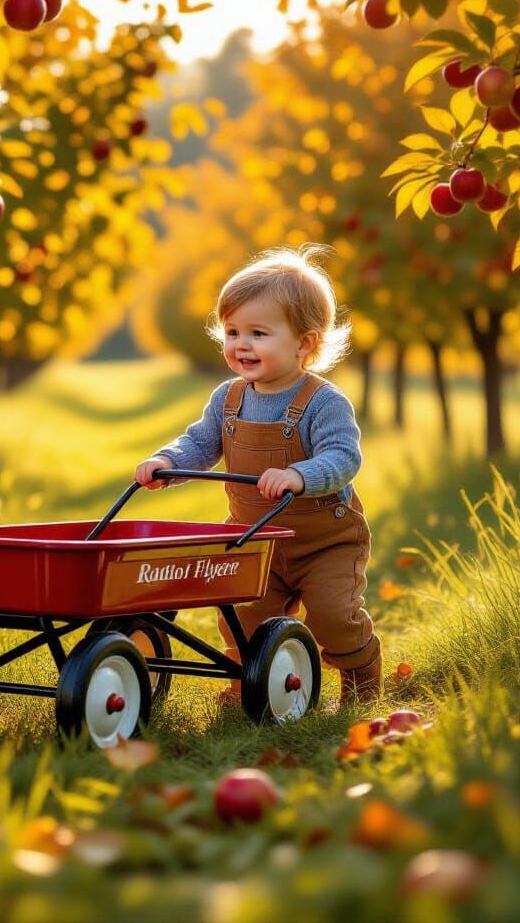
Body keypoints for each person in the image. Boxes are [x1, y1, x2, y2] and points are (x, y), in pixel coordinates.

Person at [134, 246, 381, 702]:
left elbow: (344, 457)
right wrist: (168, 461)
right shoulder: (228, 398)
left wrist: (299, 475)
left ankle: (361, 674)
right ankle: (251, 687)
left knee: (332, 616)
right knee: (241, 617)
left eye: (258, 333)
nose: (240, 345)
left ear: (304, 343)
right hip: (255, 537)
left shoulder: (324, 402)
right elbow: (200, 443)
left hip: (323, 542)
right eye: (232, 332)